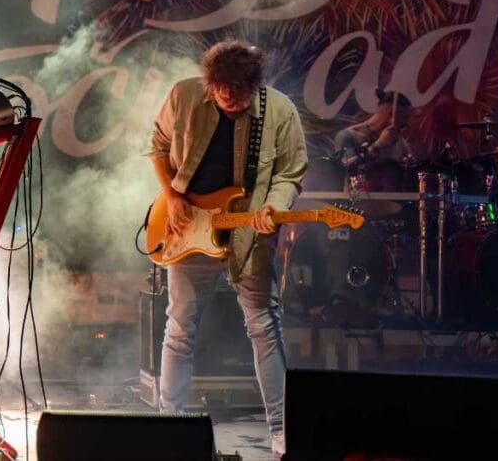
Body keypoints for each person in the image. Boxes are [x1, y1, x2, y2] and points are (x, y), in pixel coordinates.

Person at [148, 40, 308, 460]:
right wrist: (173, 196)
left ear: (255, 86)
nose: (229, 100)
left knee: (264, 327)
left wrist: (274, 207)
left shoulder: (279, 110)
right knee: (179, 328)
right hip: (188, 231)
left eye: (239, 94)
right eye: (221, 91)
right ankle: (169, 424)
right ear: (210, 82)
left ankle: (281, 432)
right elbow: (158, 146)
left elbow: (290, 173)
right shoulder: (184, 95)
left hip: (247, 233)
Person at [334, 90, 413, 168]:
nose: (407, 123)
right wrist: (378, 145)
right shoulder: (348, 136)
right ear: (391, 113)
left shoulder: (400, 142)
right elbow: (349, 168)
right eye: (405, 117)